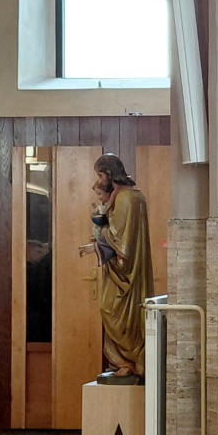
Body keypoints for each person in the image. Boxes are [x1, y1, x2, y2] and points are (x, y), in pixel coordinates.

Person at [79, 154, 154, 379]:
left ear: (110, 174)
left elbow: (119, 238)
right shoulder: (129, 195)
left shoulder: (126, 199)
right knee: (113, 310)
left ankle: (129, 359)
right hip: (124, 269)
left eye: (101, 175)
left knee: (110, 309)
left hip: (125, 271)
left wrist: (96, 244)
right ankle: (124, 361)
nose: (101, 180)